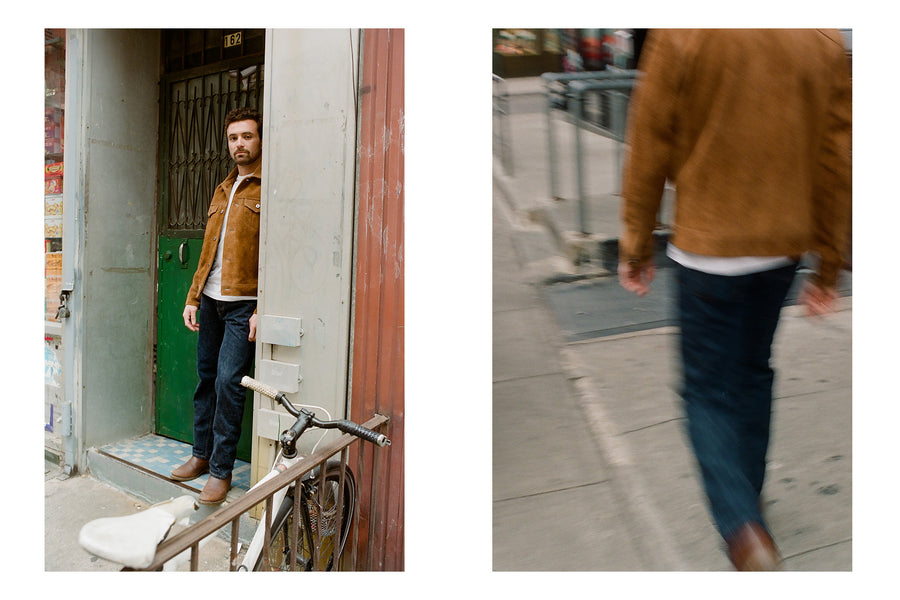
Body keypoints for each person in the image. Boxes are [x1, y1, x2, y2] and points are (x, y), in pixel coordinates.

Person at [617, 30, 850, 570]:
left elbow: (649, 141)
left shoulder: (684, 32)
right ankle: (750, 501)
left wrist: (635, 244)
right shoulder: (820, 38)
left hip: (708, 247)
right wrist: (829, 265)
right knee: (752, 375)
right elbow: (837, 157)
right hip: (781, 250)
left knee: (706, 391)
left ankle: (744, 531)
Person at [170, 107, 264, 505]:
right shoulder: (223, 188)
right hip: (210, 300)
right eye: (232, 138)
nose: (238, 144)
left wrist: (267, 306)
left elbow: (277, 252)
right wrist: (193, 297)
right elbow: (209, 250)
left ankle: (221, 471)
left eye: (246, 136)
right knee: (206, 379)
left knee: (229, 382)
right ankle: (201, 455)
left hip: (244, 304)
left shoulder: (267, 188)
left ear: (260, 139)